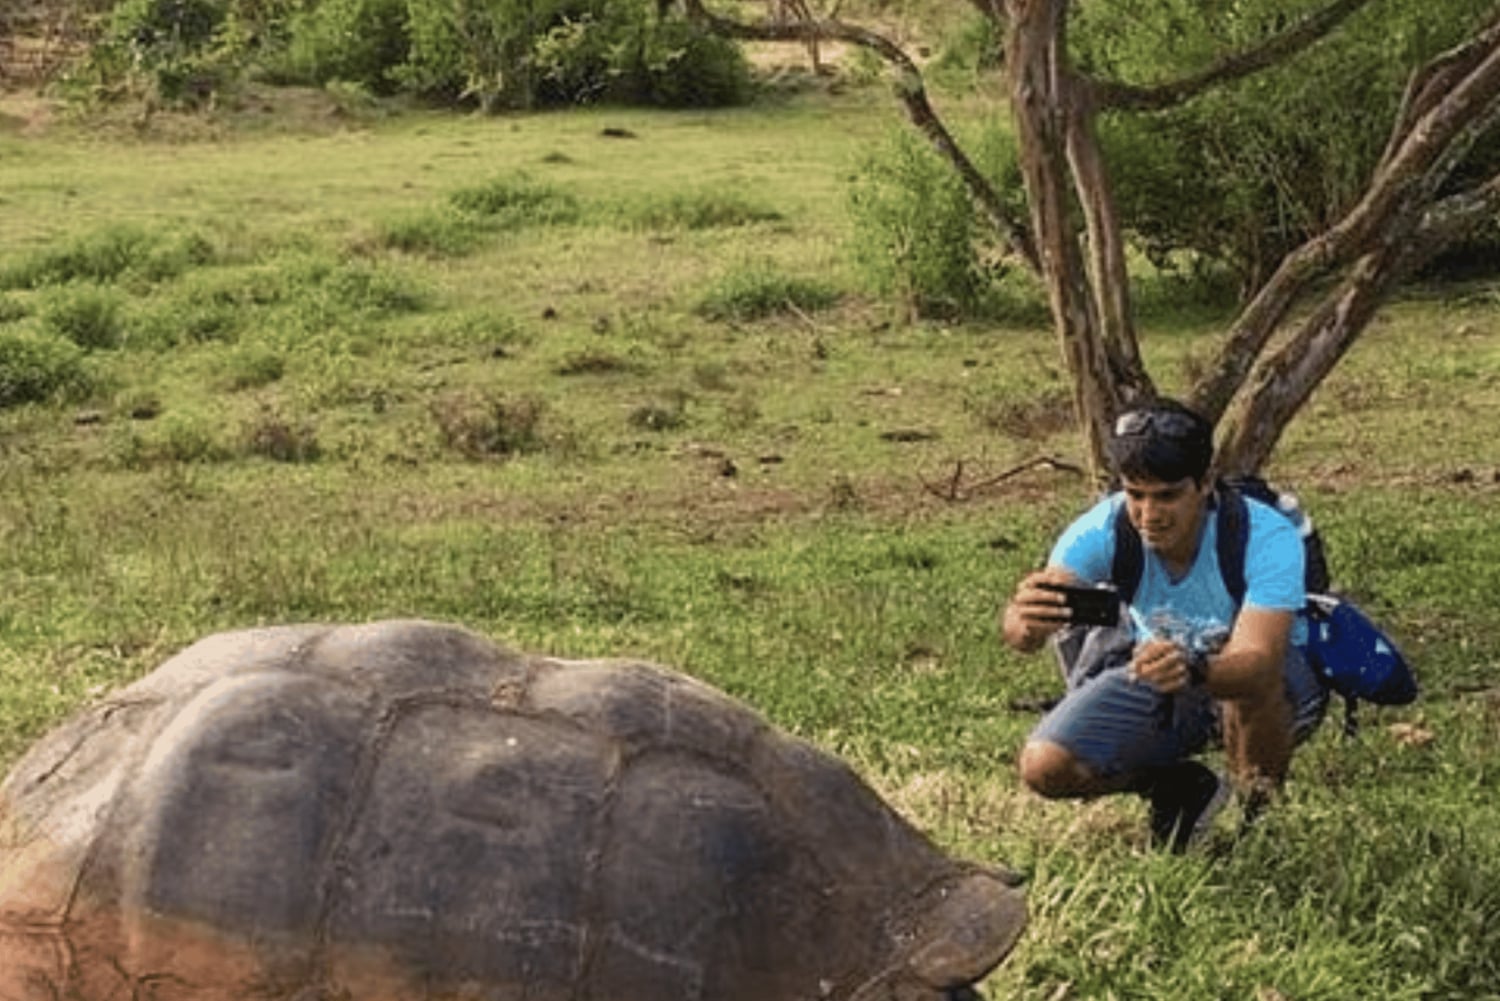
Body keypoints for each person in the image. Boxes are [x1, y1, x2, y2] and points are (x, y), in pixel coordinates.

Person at [999, 399, 1327, 851]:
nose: (1149, 514)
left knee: (1249, 687)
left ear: (1205, 483)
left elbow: (1258, 663)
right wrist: (1027, 621)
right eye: (1136, 495)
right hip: (1160, 672)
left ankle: (1255, 817)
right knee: (1045, 766)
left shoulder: (1265, 535)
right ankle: (1178, 787)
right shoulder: (1101, 530)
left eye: (1168, 495)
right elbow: (1023, 632)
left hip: (1264, 682)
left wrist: (1194, 668)